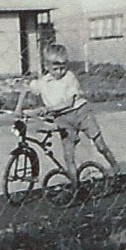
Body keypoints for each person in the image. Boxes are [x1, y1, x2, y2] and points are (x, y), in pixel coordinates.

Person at [23, 43, 119, 186]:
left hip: (81, 113)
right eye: (55, 69)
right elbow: (27, 87)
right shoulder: (44, 82)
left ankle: (115, 167)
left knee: (100, 145)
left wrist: (47, 109)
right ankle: (75, 185)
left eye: (63, 68)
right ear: (47, 67)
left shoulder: (69, 78)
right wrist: (21, 101)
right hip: (63, 120)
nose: (60, 72)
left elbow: (68, 103)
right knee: (68, 156)